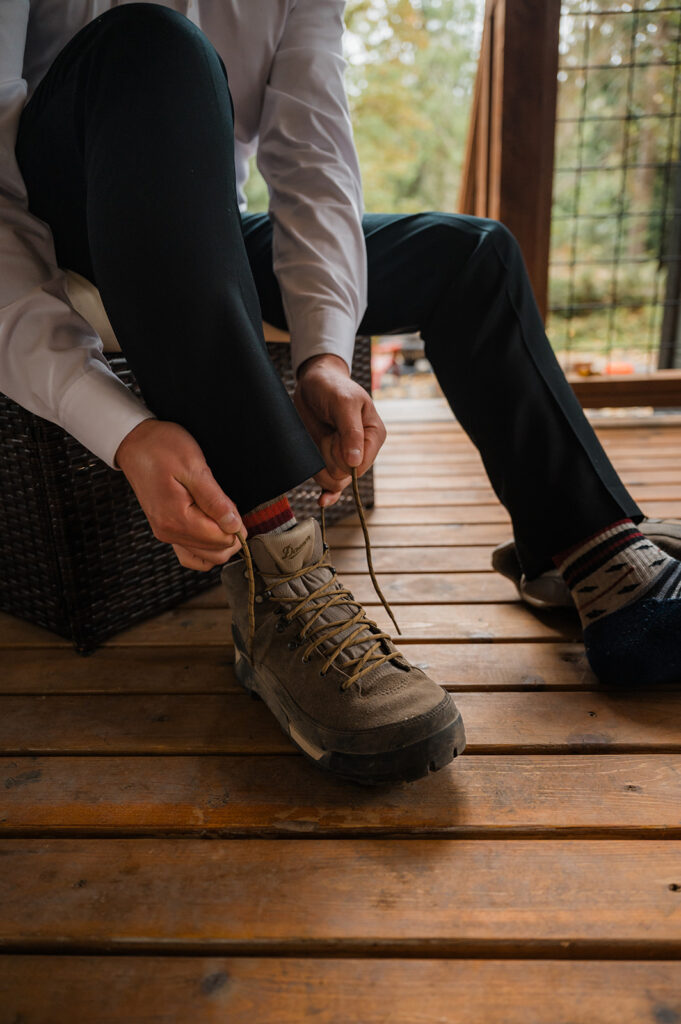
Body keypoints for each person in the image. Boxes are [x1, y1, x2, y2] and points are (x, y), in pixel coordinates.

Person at [1, 2, 679, 786]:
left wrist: (325, 357)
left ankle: (586, 549)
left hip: (208, 226)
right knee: (152, 42)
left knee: (471, 254)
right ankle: (280, 582)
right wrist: (117, 425)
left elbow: (312, 163)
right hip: (57, 227)